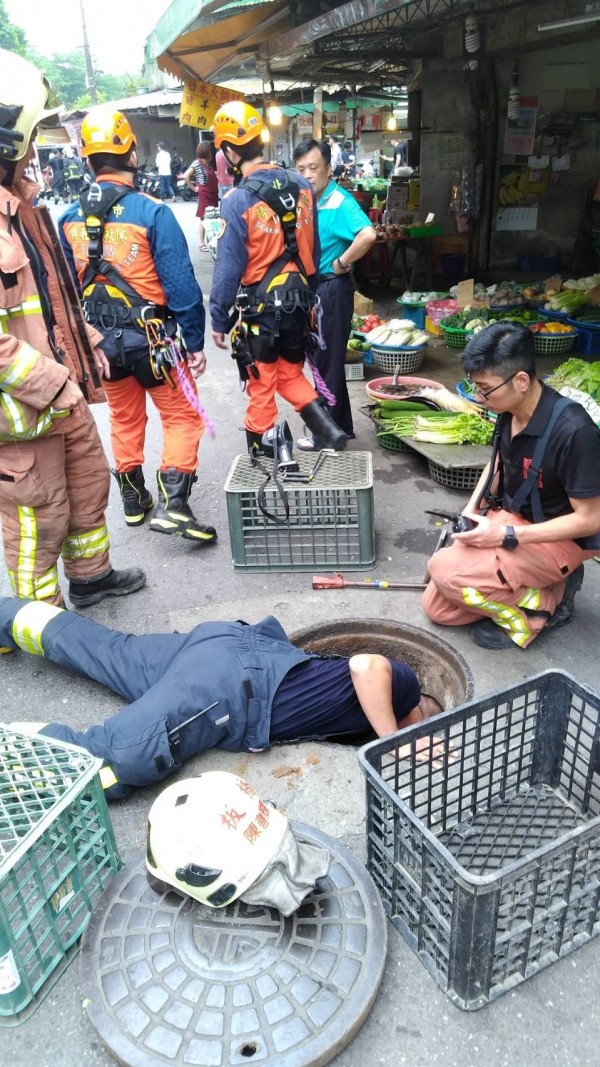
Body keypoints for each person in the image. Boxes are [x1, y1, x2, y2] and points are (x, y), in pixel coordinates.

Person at [1, 595, 442, 801]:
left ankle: (8, 615)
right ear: (423, 711)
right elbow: (368, 665)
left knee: (108, 650)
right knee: (119, 759)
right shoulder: (402, 690)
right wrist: (398, 740)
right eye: (428, 732)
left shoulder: (357, 715)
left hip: (225, 645)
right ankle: (12, 755)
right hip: (230, 686)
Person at [0, 50, 145, 609]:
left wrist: (86, 341)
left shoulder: (24, 207)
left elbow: (51, 291)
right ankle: (40, 619)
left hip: (60, 393)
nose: (36, 151)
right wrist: (51, 382)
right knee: (38, 518)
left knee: (87, 488)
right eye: (30, 137)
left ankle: (90, 579)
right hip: (23, 412)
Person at [59, 108, 216, 545]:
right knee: (183, 416)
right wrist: (196, 341)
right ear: (131, 153)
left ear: (87, 161)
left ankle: (133, 502)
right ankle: (176, 505)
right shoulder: (152, 212)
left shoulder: (68, 217)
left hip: (101, 345)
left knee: (125, 420)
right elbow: (181, 283)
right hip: (154, 341)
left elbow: (65, 289)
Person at [422, 322, 600, 650]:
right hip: (513, 519)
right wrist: (470, 513)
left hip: (558, 536)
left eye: (484, 389)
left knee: (446, 571)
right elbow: (498, 464)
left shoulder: (575, 432)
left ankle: (541, 608)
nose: (478, 397)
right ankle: (532, 590)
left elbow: (591, 520)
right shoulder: (509, 410)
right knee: (437, 607)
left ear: (520, 380)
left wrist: (505, 536)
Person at [209, 101, 348, 454]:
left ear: (228, 151)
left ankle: (262, 452)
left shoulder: (237, 199)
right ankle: (329, 431)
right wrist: (311, 299)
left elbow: (228, 266)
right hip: (299, 302)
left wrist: (218, 318)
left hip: (262, 310)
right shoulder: (302, 185)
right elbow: (313, 250)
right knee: (289, 374)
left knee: (262, 382)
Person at [293, 138, 376, 447]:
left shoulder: (339, 200)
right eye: (301, 169)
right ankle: (339, 426)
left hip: (330, 289)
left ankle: (324, 435)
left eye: (314, 168)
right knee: (326, 360)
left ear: (328, 168)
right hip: (315, 290)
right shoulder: (307, 200)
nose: (308, 174)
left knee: (324, 362)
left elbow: (368, 234)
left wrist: (343, 261)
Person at [183, 141, 218, 252]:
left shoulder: (208, 164)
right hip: (204, 193)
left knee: (214, 217)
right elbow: (186, 176)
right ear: (207, 151)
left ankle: (214, 240)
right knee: (204, 217)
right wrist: (194, 188)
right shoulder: (197, 163)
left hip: (213, 193)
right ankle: (201, 243)